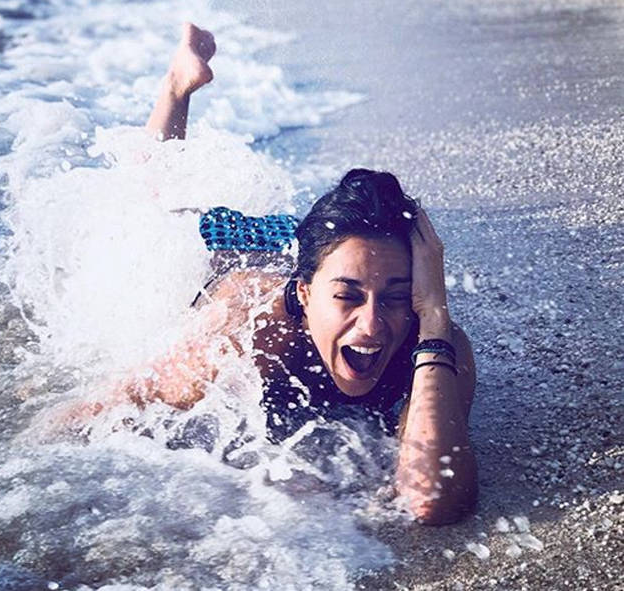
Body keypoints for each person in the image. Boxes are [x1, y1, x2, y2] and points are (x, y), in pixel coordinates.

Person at [55, 23, 477, 525]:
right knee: (152, 215)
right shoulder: (247, 331)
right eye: (348, 297)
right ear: (306, 293)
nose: (371, 325)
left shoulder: (436, 344)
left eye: (395, 297)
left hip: (316, 251)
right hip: (235, 254)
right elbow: (93, 414)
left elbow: (431, 500)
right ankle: (176, 86)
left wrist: (433, 318)